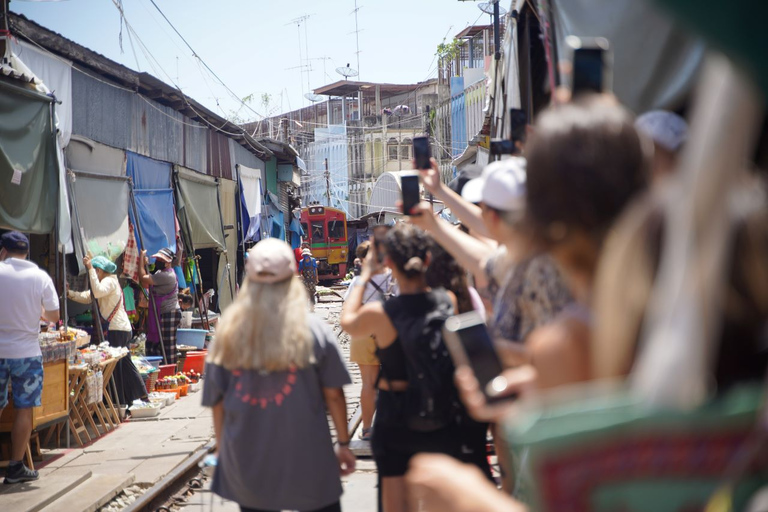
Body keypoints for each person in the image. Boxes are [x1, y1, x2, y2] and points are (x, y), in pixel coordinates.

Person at [341, 223, 490, 512]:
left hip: (396, 418)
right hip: (439, 412)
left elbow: (348, 322)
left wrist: (365, 275)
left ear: (389, 262)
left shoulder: (381, 314)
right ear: (428, 260)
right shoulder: (446, 300)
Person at [203, 238, 355, 512]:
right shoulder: (314, 330)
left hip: (250, 465)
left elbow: (217, 402)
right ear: (292, 279)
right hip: (310, 461)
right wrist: (343, 443)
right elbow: (333, 393)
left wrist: (222, 448)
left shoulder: (225, 335)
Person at [412, 157, 572, 362]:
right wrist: (438, 193)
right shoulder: (546, 250)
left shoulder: (531, 265)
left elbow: (482, 260)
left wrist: (497, 350)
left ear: (493, 216)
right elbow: (484, 236)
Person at [0, 231, 59, 484]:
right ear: (27, 252)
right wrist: (39, 312)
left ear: (3, 251)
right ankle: (15, 467)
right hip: (27, 352)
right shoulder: (40, 276)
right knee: (24, 409)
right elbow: (55, 316)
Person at [67, 254, 147, 406]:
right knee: (125, 363)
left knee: (116, 366)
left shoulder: (110, 281)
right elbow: (88, 296)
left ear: (100, 270)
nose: (94, 274)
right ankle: (140, 395)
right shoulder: (106, 282)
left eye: (96, 271)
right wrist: (70, 293)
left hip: (117, 329)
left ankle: (121, 401)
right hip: (120, 328)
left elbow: (96, 292)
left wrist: (89, 268)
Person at [343, 241, 396, 441]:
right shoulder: (393, 278)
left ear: (362, 260)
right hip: (388, 332)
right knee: (394, 381)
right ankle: (392, 425)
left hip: (362, 332)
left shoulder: (358, 282)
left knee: (367, 383)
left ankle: (366, 429)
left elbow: (348, 308)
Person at [140, 247, 181, 365]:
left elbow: (143, 278)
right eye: (157, 259)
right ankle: (161, 368)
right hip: (161, 312)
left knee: (168, 346)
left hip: (170, 312)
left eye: (160, 259)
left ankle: (171, 371)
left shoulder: (167, 275)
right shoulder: (160, 273)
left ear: (168, 262)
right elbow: (144, 283)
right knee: (156, 343)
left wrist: (142, 260)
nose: (157, 261)